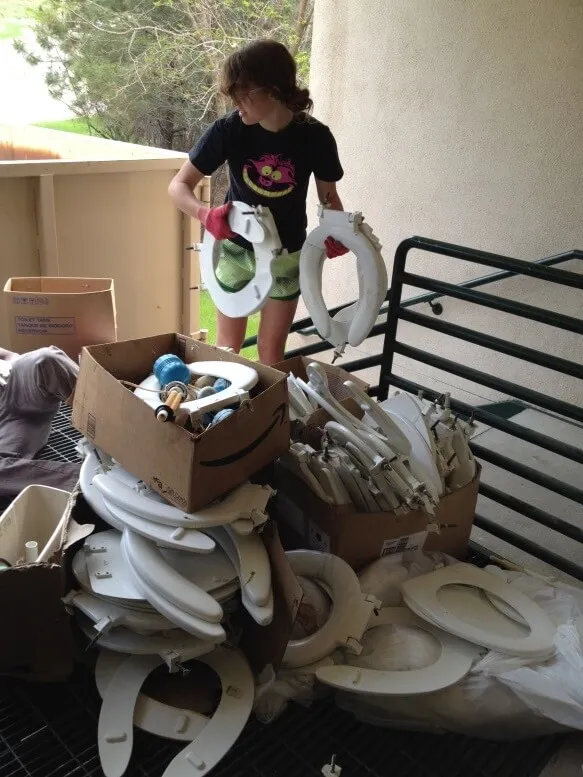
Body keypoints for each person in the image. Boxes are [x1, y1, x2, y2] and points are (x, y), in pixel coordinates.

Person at [168, 38, 348, 365]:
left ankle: (263, 415)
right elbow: (178, 186)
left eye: (243, 93)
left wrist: (339, 232)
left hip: (287, 255)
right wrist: (205, 214)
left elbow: (329, 197)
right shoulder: (229, 130)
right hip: (236, 248)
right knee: (227, 350)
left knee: (270, 352)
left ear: (273, 90)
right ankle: (226, 414)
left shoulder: (315, 137)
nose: (236, 102)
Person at [0, 346, 80, 497]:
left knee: (46, 359)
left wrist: (10, 363)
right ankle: (94, 484)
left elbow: (8, 355)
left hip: (8, 389)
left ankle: (122, 421)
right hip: (7, 429)